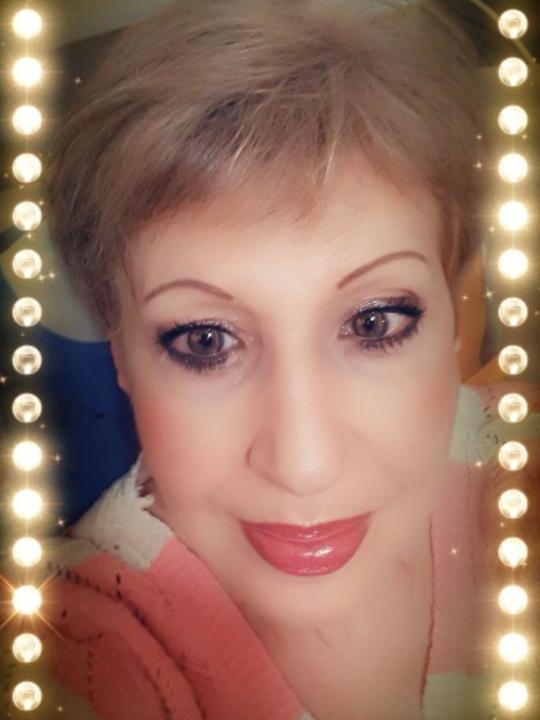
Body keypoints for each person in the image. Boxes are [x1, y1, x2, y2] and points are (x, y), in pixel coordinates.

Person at [3, 0, 539, 718]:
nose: (303, 464)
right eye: (205, 341)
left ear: (452, 312)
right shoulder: (63, 647)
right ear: (120, 349)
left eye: (374, 322)